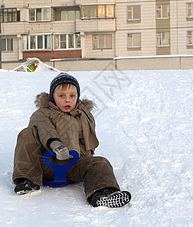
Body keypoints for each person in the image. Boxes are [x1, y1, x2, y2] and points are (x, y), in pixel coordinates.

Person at [12, 72, 131, 208]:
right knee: (27, 133)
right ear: (52, 97)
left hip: (74, 164)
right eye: (61, 96)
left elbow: (88, 138)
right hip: (46, 164)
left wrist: (87, 157)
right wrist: (55, 143)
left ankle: (102, 193)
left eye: (72, 96)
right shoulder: (43, 113)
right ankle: (27, 179)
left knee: (100, 162)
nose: (67, 100)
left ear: (78, 96)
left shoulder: (83, 114)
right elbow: (44, 128)